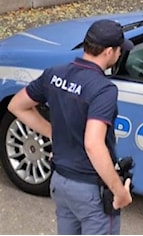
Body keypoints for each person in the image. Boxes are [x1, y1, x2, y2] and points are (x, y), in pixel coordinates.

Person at [7, 19, 134, 234]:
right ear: (109, 52)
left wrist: (53, 133)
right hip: (90, 190)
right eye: (119, 50)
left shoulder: (54, 74)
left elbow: (17, 105)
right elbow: (93, 144)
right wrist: (118, 191)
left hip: (60, 182)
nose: (120, 54)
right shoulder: (104, 90)